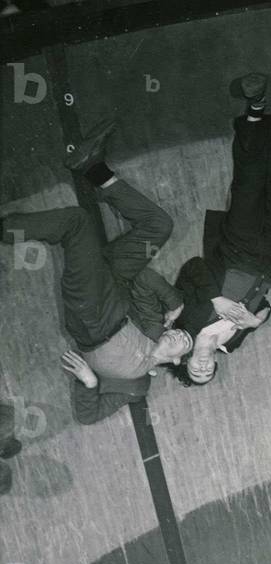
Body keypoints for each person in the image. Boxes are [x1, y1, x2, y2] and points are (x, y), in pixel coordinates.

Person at [0, 120, 193, 425]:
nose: (182, 333)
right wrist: (173, 301)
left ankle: (6, 228)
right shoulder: (156, 324)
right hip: (114, 280)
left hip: (93, 314)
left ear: (178, 360)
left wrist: (88, 382)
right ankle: (91, 165)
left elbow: (88, 416)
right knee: (159, 226)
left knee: (77, 223)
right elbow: (142, 278)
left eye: (186, 343)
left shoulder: (136, 386)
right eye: (184, 332)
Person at [171, 72, 271, 386]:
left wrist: (216, 300)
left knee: (248, 184)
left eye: (196, 371)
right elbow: (266, 308)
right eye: (208, 373)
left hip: (237, 251)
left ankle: (256, 109)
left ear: (185, 362)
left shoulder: (184, 323)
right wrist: (254, 322)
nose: (204, 368)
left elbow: (193, 268)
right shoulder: (230, 345)